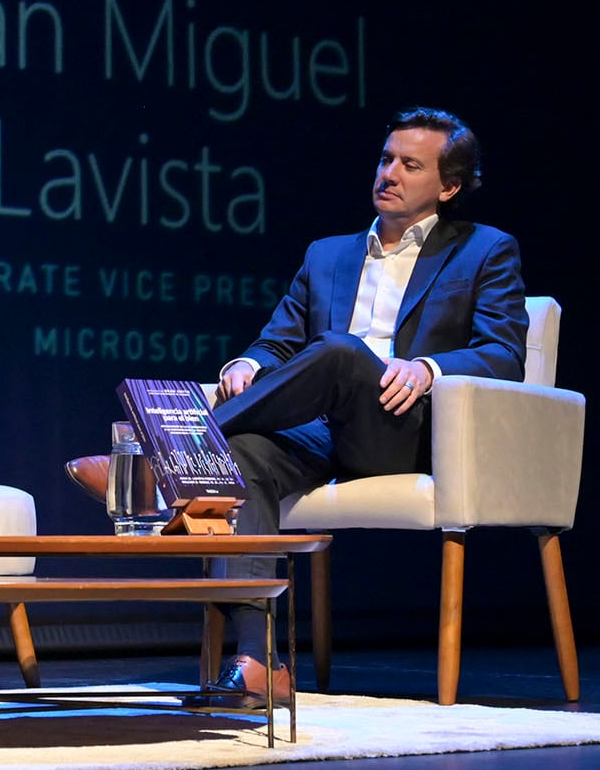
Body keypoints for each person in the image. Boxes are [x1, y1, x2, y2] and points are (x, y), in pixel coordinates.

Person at [207, 107, 527, 705]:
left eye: (411, 165)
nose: (390, 173)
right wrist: (246, 365)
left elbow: (504, 354)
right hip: (315, 433)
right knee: (243, 455)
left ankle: (167, 448)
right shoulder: (327, 254)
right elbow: (276, 342)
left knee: (341, 353)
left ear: (449, 186)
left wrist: (429, 368)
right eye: (386, 159)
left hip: (397, 431)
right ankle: (259, 660)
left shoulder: (484, 251)